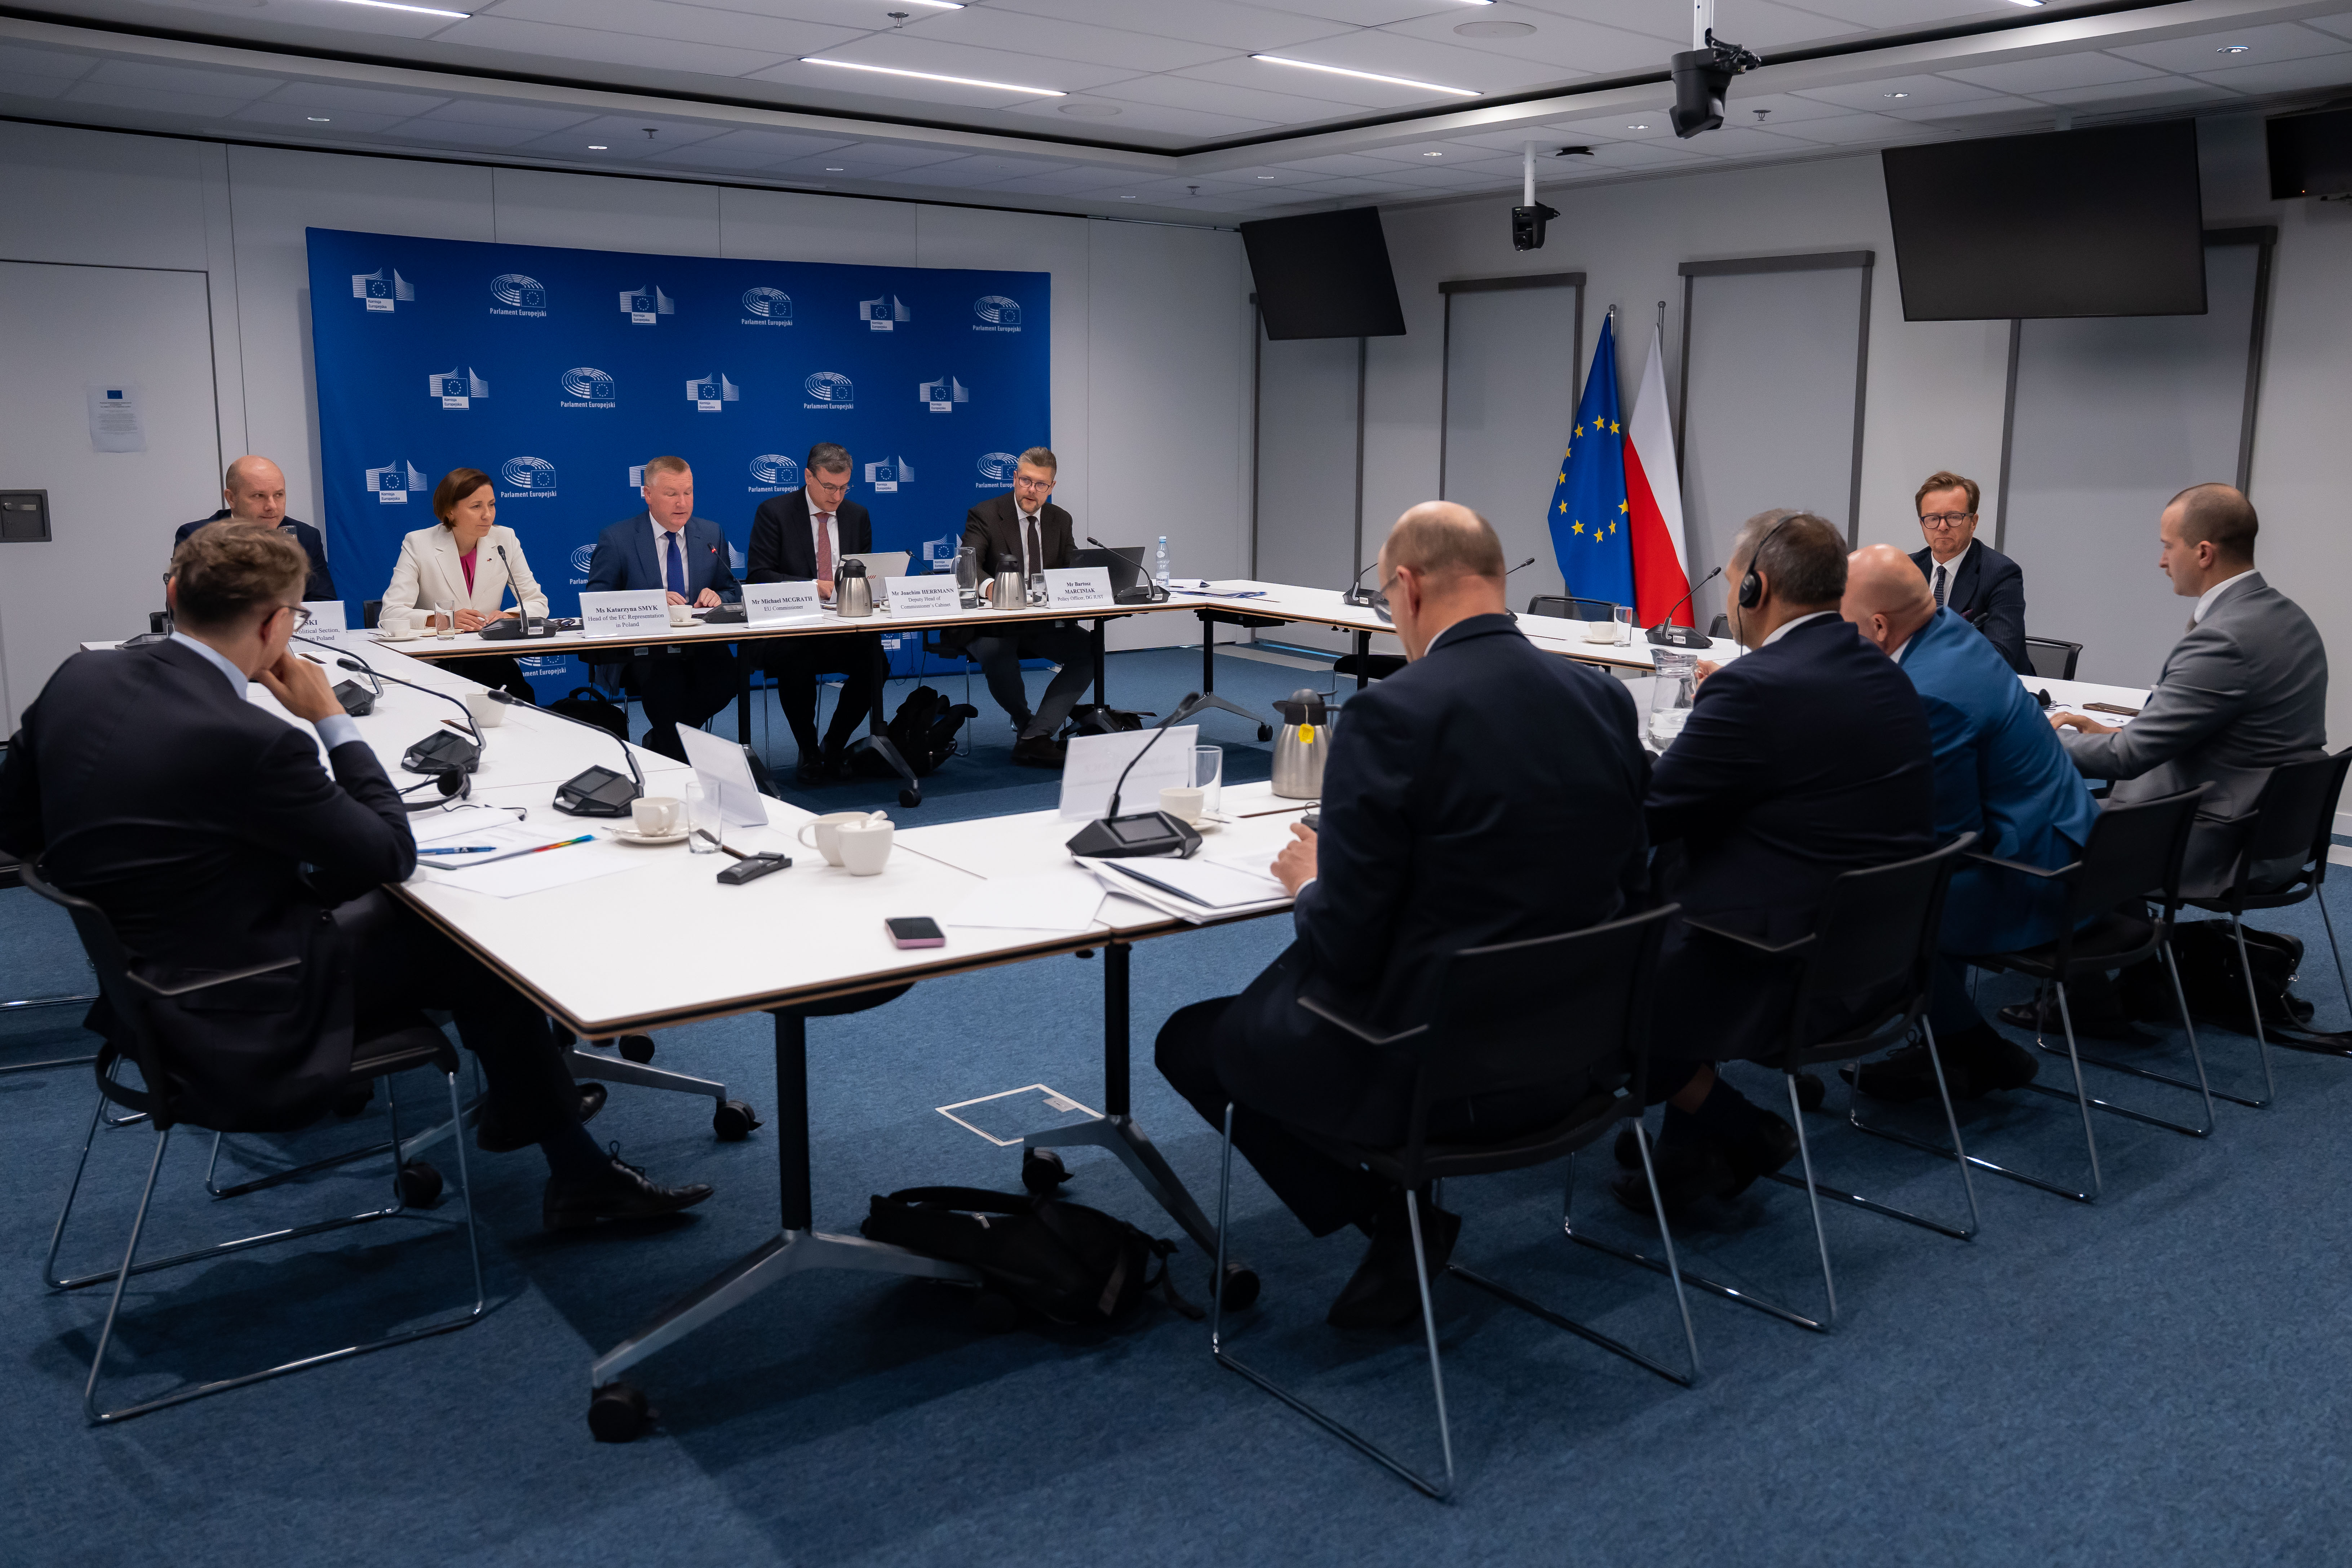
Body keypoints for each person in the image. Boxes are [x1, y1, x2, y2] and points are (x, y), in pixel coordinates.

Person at [0, 526, 709, 1228]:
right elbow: (390, 853)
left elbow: (16, 827)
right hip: (241, 1003)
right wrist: (332, 719)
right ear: (276, 625)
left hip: (141, 985)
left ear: (173, 593)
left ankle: (528, 1108)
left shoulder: (80, 679)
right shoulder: (252, 740)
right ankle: (570, 1162)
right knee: (469, 940)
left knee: (388, 904)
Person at [1155, 502, 1650, 1330]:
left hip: (1437, 1075)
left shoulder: (1394, 713)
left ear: (1409, 587)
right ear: (1495, 580)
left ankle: (1394, 1216)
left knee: (1194, 1042)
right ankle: (1400, 1220)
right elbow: (1629, 876)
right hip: (1580, 1060)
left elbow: (1345, 946)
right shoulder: (1602, 698)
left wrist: (1312, 882)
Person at [1627, 510, 1936, 1217]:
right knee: (1680, 875)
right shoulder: (1885, 670)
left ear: (1755, 589)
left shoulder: (1755, 686)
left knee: (1593, 972)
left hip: (1785, 968)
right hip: (1878, 959)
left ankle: (1742, 1127)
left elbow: (1648, 813)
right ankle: (1690, 1151)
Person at [2012, 483, 2330, 1035]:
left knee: (2050, 827)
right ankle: (2143, 977)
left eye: (2167, 546)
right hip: (2277, 833)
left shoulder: (2224, 638)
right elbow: (2210, 731)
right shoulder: (2286, 617)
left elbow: (2129, 759)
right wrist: (2114, 731)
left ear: (2203, 551)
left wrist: (2032, 743)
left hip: (2223, 843)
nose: (2161, 561)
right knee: (2097, 813)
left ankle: (2090, 999)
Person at [1833, 544, 2098, 1103]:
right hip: (2063, 845)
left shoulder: (1930, 693)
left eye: (1840, 620)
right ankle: (1952, 1043)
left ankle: (1971, 1048)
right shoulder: (1949, 630)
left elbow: (1943, 839)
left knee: (1867, 899)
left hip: (2037, 875)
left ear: (1878, 626)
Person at [585, 456, 743, 763]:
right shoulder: (618, 539)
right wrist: (652, 603)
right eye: (671, 494)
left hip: (700, 643)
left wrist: (717, 596)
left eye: (688, 492)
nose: (682, 503)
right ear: (647, 494)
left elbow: (731, 589)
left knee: (726, 680)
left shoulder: (711, 532)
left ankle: (662, 743)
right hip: (645, 647)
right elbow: (597, 601)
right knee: (667, 686)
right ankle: (678, 760)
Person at [949, 447, 1094, 768]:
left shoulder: (1060, 519)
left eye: (1041, 484)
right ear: (1015, 478)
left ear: (1051, 487)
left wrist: (1090, 582)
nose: (1032, 490)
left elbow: (1071, 566)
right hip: (992, 622)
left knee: (1090, 650)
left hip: (1041, 622)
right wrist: (994, 590)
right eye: (1026, 481)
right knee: (997, 653)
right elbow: (969, 566)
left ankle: (1035, 736)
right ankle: (1026, 723)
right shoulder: (986, 514)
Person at [746, 443, 880, 784]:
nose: (837, 497)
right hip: (791, 628)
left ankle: (833, 745)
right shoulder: (774, 512)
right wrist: (810, 586)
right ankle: (808, 750)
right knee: (796, 659)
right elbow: (759, 575)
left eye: (844, 487)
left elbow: (864, 570)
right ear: (808, 477)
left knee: (876, 661)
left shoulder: (857, 515)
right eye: (829, 487)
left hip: (841, 626)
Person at [380, 467, 548, 701]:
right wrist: (443, 620)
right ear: (450, 511)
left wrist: (509, 618)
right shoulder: (418, 543)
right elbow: (391, 614)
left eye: (492, 505)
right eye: (476, 506)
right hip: (440, 662)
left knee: (518, 693)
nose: (488, 515)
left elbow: (536, 602)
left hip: (491, 659)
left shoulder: (505, 538)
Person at [174, 455, 336, 603]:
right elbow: (186, 608)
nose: (272, 506)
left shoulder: (306, 537)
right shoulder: (198, 538)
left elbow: (325, 605)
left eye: (279, 495)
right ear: (231, 498)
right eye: (259, 496)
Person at [1909, 470, 2027, 673]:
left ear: (1973, 522)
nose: (1942, 527)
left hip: (1988, 685)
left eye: (1954, 517)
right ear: (1922, 524)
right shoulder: (1907, 570)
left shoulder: (2001, 574)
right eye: (1932, 519)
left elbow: (2000, 657)